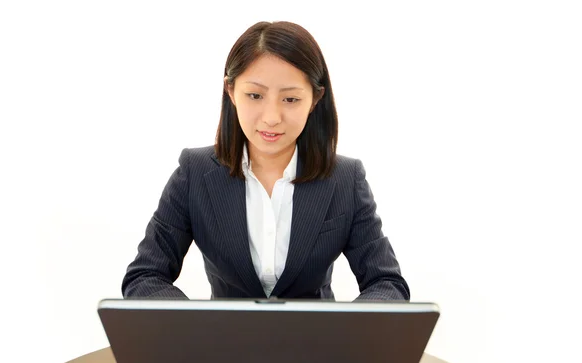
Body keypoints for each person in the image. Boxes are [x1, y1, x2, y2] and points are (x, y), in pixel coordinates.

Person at [121, 21, 410, 301]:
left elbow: (386, 283)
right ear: (231, 92)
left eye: (290, 99)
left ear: (315, 99)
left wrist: (343, 337)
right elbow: (145, 276)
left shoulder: (346, 179)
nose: (271, 117)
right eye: (255, 95)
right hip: (223, 347)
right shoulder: (194, 172)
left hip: (316, 348)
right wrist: (200, 332)